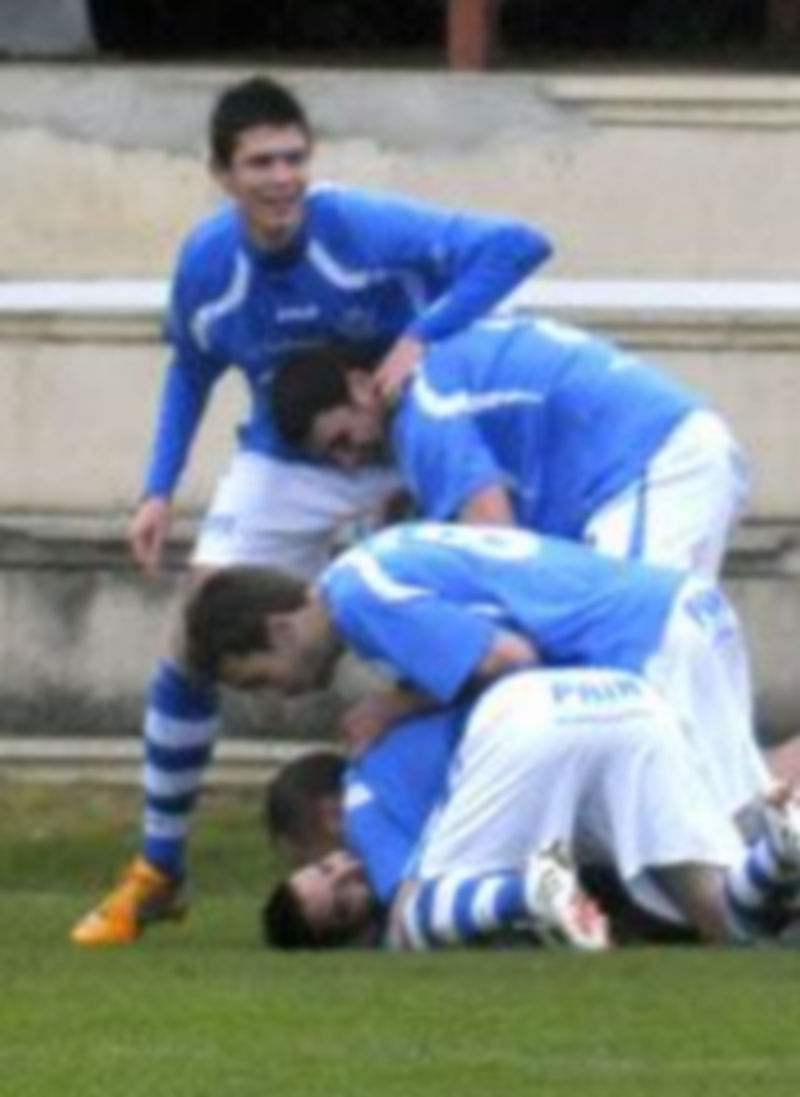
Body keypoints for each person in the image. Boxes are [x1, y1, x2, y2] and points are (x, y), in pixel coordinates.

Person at [70, 75, 551, 946]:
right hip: (289, 462)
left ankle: (506, 843)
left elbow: (517, 246)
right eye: (261, 162)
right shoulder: (209, 264)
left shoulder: (360, 225)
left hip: (411, 433)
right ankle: (158, 869)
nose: (283, 177)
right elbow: (191, 364)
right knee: (197, 624)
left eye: (294, 156)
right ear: (222, 173)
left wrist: (421, 338)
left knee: (503, 606)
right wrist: (156, 486)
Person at [183, 521, 771, 830]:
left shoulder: (361, 601)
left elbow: (512, 660)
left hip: (644, 638)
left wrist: (397, 706)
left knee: (714, 826)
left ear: (280, 628)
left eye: (259, 679)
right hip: (678, 611)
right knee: (744, 803)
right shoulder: (364, 568)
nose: (277, 698)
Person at [262, 669, 800, 951]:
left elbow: (401, 917)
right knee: (733, 924)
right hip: (625, 697)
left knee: (410, 923)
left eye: (327, 867)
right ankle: (781, 845)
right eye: (342, 899)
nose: (349, 870)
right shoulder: (399, 768)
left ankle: (535, 888)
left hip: (521, 723)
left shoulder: (362, 804)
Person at [270, 315, 750, 579]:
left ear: (359, 386)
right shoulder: (447, 367)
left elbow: (499, 545)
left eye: (343, 440)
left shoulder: (422, 413)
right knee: (676, 654)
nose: (352, 460)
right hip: (667, 457)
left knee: (627, 648)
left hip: (647, 465)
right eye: (334, 457)